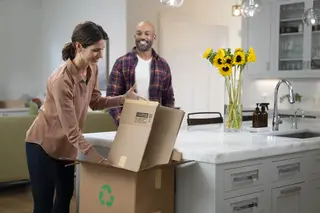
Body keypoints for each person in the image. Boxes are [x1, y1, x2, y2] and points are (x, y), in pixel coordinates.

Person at [25, 21, 136, 213]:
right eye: (96, 50)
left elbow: (95, 101)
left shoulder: (91, 69)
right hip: (42, 146)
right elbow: (72, 131)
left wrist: (123, 99)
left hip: (65, 149)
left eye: (102, 50)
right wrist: (98, 160)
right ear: (78, 47)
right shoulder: (61, 80)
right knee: (43, 205)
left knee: (64, 201)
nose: (100, 55)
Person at [107, 21, 175, 127]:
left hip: (155, 125)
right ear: (135, 36)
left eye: (147, 34)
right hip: (129, 124)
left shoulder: (163, 65)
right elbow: (111, 98)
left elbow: (168, 99)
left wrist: (165, 124)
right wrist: (122, 123)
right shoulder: (122, 63)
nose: (142, 37)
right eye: (139, 33)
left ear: (153, 37)